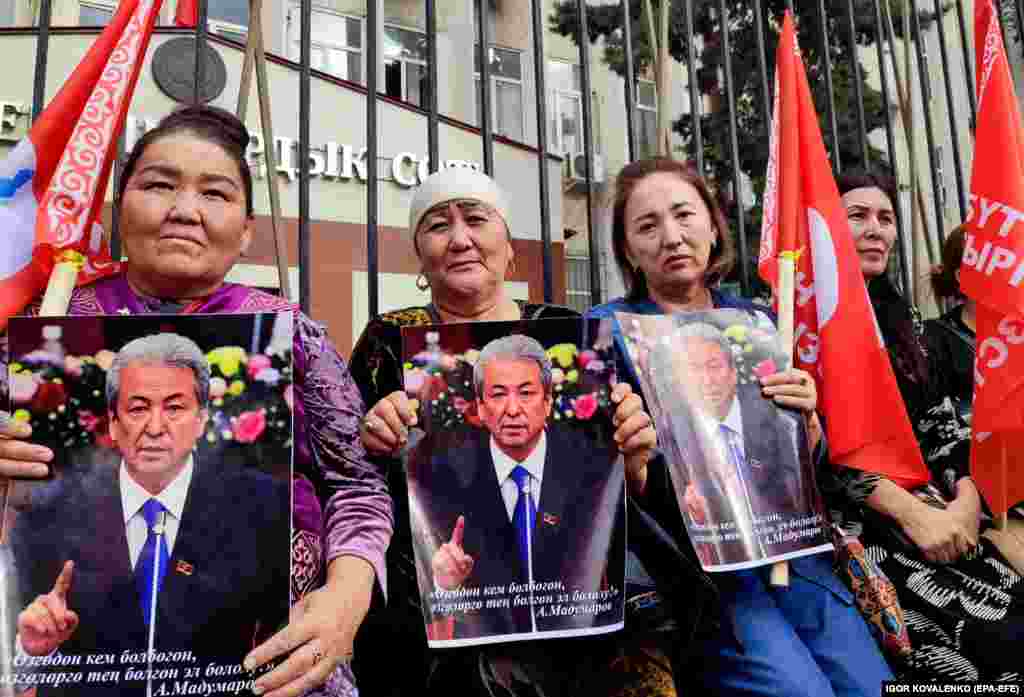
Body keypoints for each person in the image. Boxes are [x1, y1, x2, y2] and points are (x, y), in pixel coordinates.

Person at [0, 105, 390, 697]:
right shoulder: (46, 324)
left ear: (247, 229)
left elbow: (356, 484)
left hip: (276, 667)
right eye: (158, 185)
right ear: (118, 207)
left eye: (215, 193)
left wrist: (347, 594)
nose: (185, 211)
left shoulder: (291, 333)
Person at [348, 166, 666, 697]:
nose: (460, 238)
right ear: (420, 255)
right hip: (434, 590)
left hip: (570, 590)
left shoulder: (568, 333)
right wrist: (370, 434)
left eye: (476, 218)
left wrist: (632, 458)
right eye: (437, 225)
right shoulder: (388, 337)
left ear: (509, 244)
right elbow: (346, 475)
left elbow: (624, 496)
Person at [587, 156, 893, 697]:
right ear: (628, 249)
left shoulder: (757, 321)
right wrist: (633, 461)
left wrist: (808, 425)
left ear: (712, 224)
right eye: (648, 225)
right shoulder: (605, 333)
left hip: (791, 553)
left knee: (869, 685)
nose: (672, 236)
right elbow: (597, 485)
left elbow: (804, 469)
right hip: (699, 567)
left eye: (684, 215)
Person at [826, 169, 1024, 682]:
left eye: (886, 218)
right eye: (858, 216)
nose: (876, 229)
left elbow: (939, 424)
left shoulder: (906, 323)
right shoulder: (801, 326)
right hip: (862, 527)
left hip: (947, 515)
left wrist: (964, 502)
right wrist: (914, 516)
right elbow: (821, 450)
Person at [10, 333, 290, 694]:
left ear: (202, 418)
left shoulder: (264, 507)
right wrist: (32, 651)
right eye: (138, 408)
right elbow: (18, 668)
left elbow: (285, 636)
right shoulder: (47, 515)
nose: (155, 428)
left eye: (174, 408)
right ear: (112, 422)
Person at [425, 334, 623, 638]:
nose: (513, 409)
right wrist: (444, 586)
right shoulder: (445, 478)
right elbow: (438, 611)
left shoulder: (593, 470)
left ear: (547, 402)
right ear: (479, 407)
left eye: (527, 393)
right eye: (499, 394)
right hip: (485, 664)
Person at [647, 323, 816, 566]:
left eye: (714, 366)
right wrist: (694, 514)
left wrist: (810, 423)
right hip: (721, 568)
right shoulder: (668, 432)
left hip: (791, 553)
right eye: (693, 369)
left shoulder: (776, 414)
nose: (706, 380)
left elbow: (805, 483)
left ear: (733, 373)